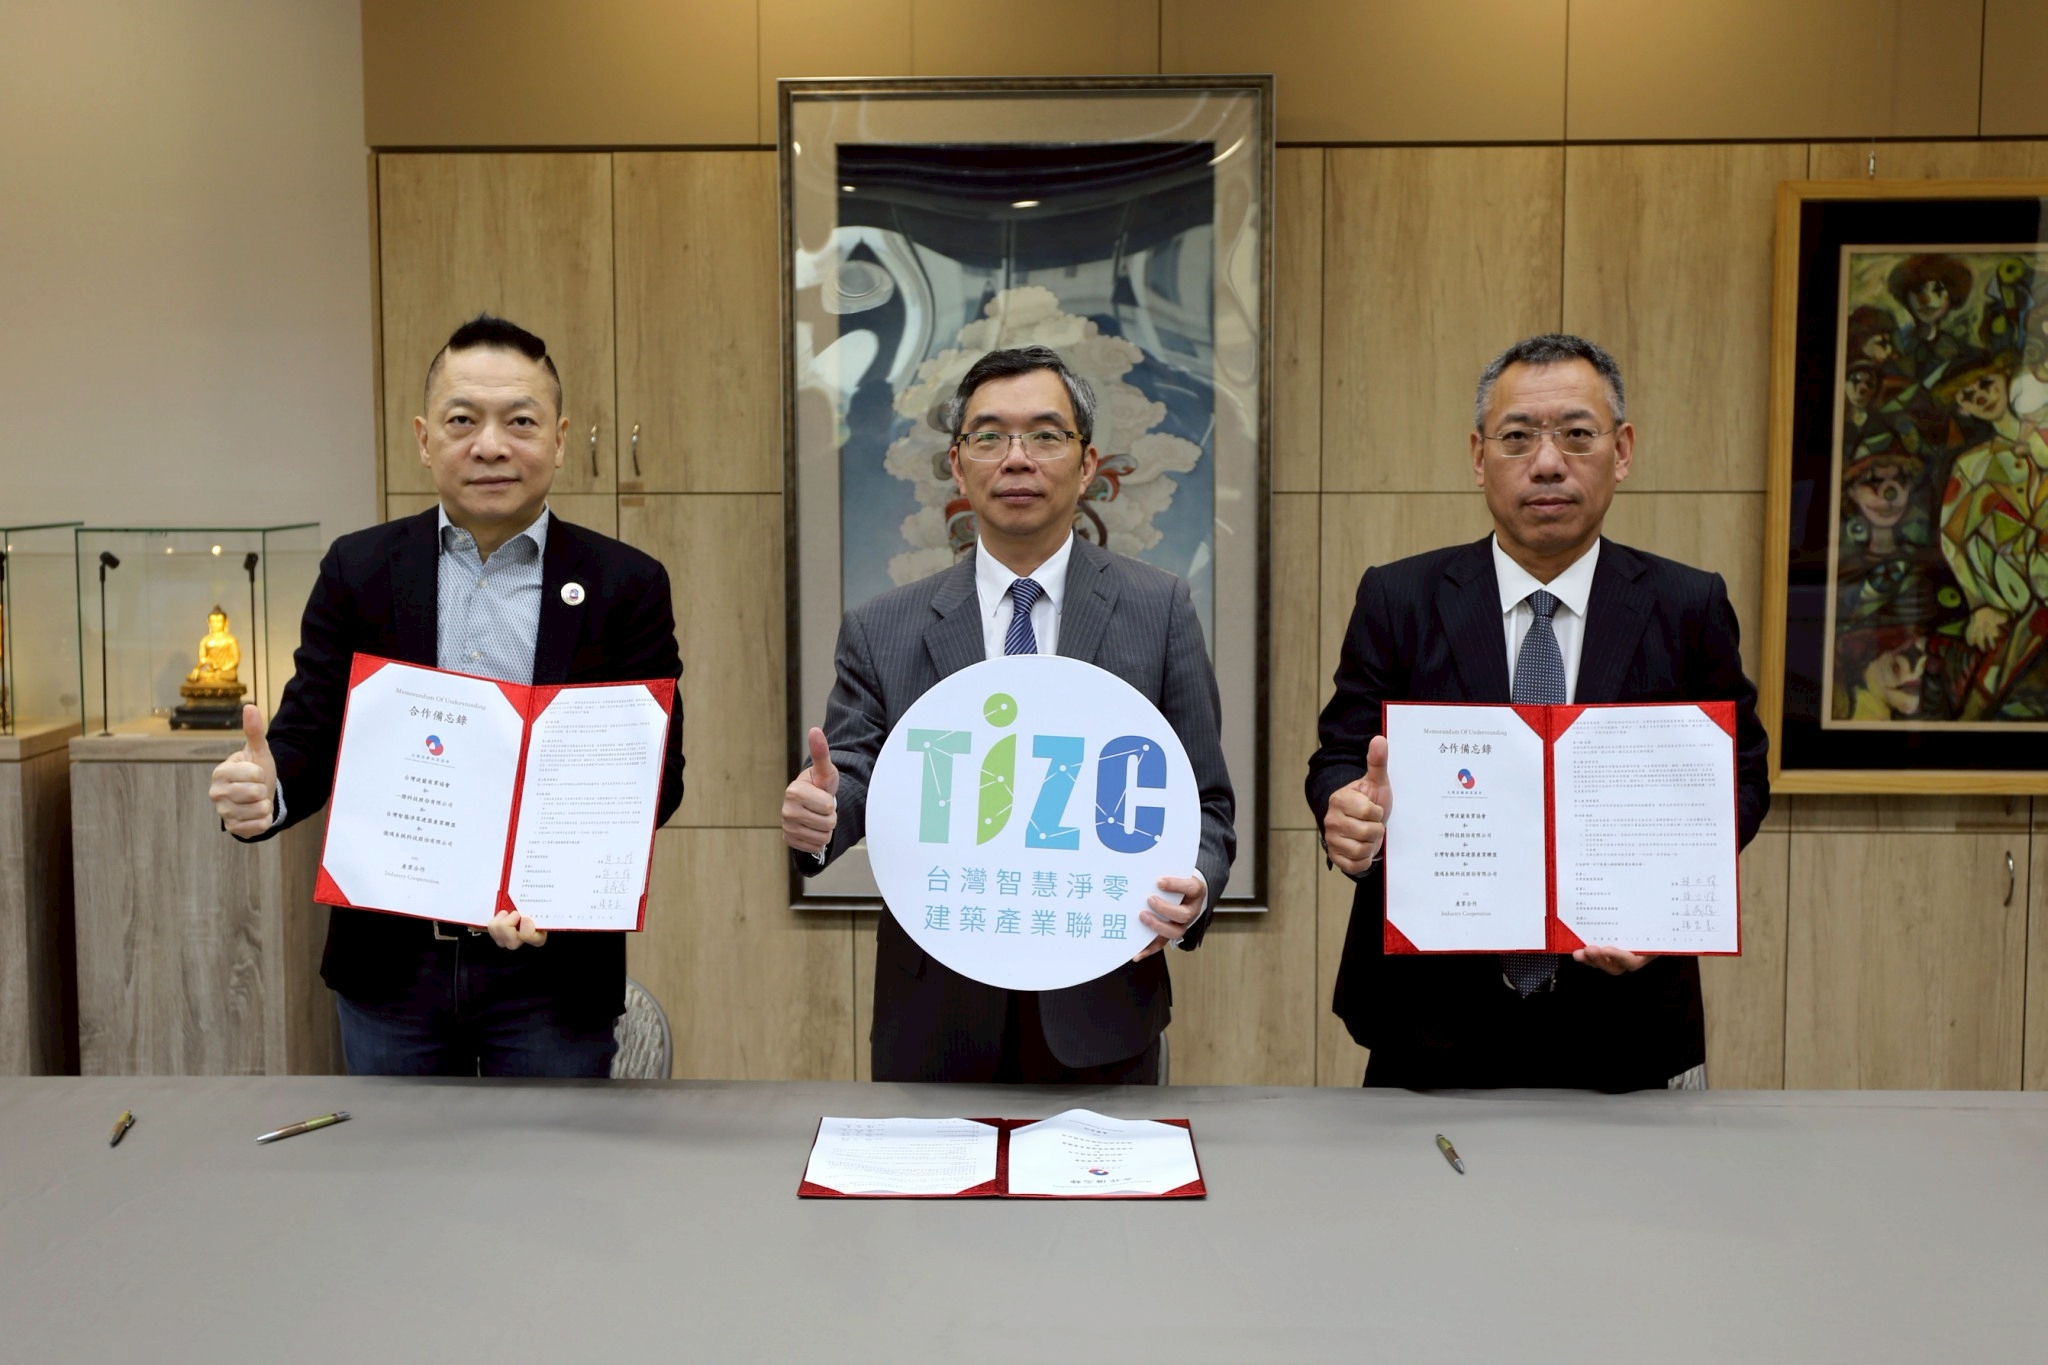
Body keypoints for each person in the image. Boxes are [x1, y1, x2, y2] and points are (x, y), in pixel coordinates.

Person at [207, 313, 685, 1076]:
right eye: (463, 420)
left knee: (550, 1156)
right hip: (392, 970)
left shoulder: (625, 586)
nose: (490, 445)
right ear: (425, 439)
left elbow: (655, 782)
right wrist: (268, 791)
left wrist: (552, 882)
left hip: (551, 972)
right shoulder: (359, 571)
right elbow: (309, 740)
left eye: (519, 421)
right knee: (397, 1159)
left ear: (560, 439)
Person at [1307, 333, 1770, 1092]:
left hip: (1627, 1020)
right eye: (1518, 437)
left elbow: (1740, 777)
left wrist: (1666, 901)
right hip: (1429, 1020)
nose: (1548, 463)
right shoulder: (1400, 597)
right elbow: (1340, 756)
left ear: (1622, 451)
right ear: (1478, 455)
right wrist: (1346, 809)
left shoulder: (1687, 605)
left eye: (1577, 435)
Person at [783, 345, 1234, 1083]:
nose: (1017, 458)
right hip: (933, 1018)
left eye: (1046, 435)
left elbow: (1207, 802)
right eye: (989, 436)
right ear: (959, 468)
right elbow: (856, 778)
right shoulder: (883, 626)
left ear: (1087, 465)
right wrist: (822, 814)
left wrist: (1199, 884)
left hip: (1102, 1007)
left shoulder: (1159, 611)